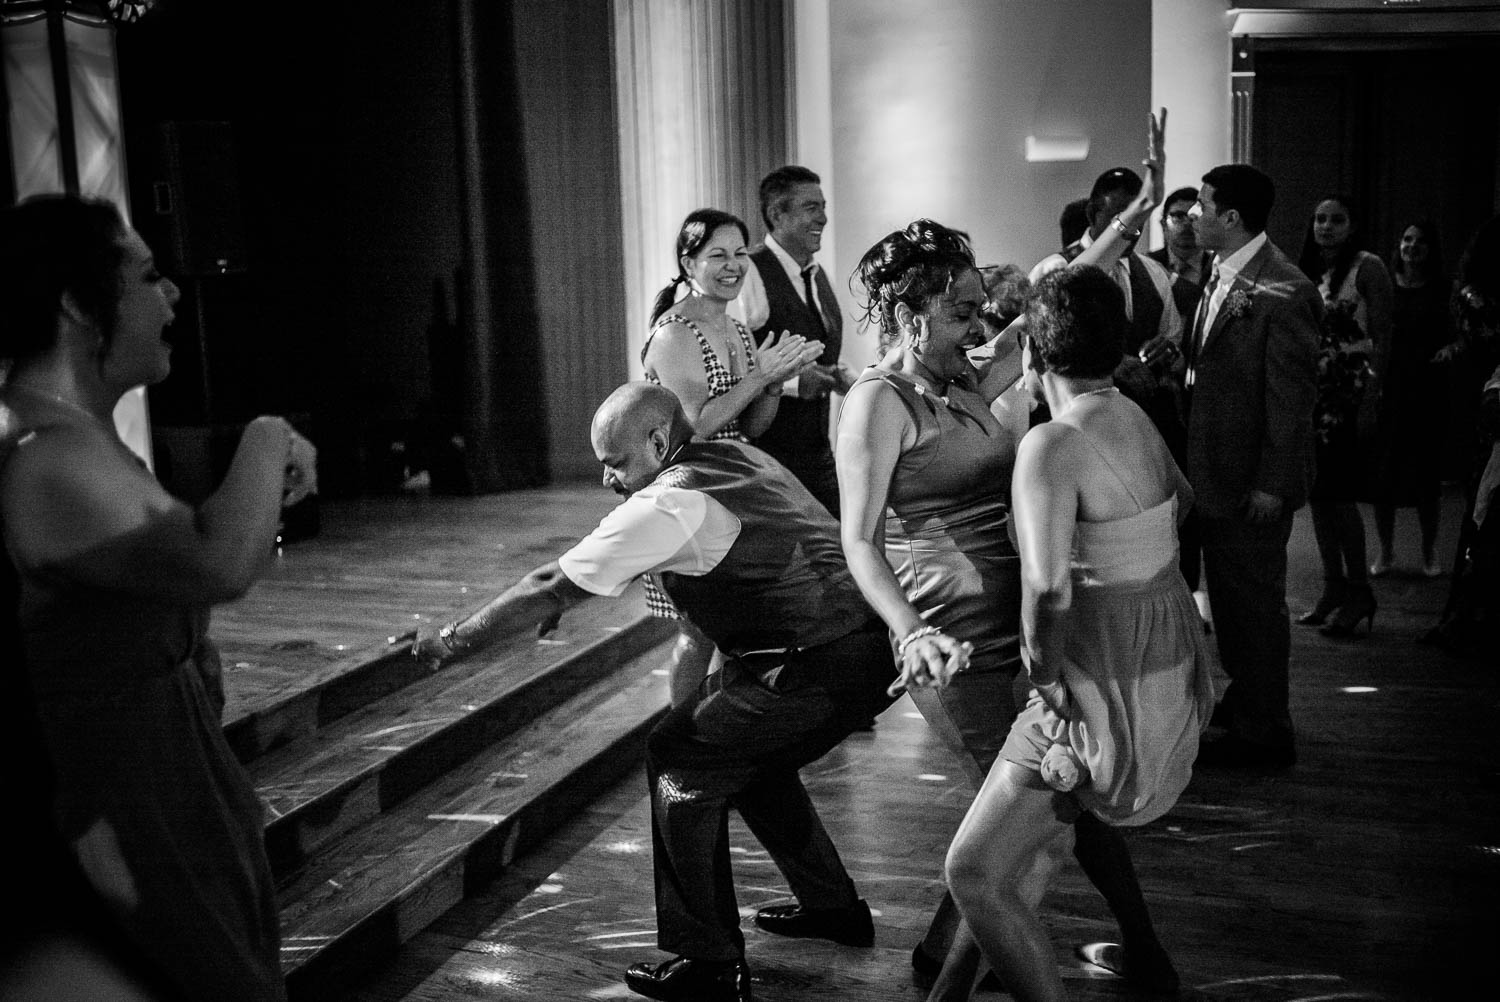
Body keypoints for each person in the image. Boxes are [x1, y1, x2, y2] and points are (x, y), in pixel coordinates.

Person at [412, 381, 897, 1002]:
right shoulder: (739, 458)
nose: (607, 479)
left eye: (614, 462)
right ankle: (832, 907)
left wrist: (450, 640)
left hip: (815, 666)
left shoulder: (671, 503)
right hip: (856, 650)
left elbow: (544, 584)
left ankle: (710, 963)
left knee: (680, 758)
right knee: (744, 758)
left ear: (660, 442)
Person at [0, 194, 318, 1002]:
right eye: (147, 275)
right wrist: (267, 434)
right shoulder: (45, 458)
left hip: (170, 788)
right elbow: (219, 563)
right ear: (77, 302)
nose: (171, 294)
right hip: (122, 816)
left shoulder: (79, 443)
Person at [925, 265, 1214, 1002]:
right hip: (1160, 649)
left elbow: (1048, 585)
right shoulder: (1133, 411)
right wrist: (1126, 578)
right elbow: (1180, 502)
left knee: (973, 869)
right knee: (1041, 844)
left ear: (1031, 355)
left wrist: (1047, 676)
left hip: (1093, 672)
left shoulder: (1051, 443)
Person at [643, 208, 823, 707]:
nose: (733, 265)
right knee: (698, 630)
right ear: (688, 263)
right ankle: (682, 734)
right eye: (717, 255)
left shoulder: (738, 330)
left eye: (740, 253)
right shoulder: (676, 333)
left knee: (736, 626)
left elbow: (751, 427)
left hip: (733, 491)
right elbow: (694, 425)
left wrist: (772, 381)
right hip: (688, 492)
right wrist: (758, 378)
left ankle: (721, 724)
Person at [1184, 164, 1321, 769]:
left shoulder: (1285, 289)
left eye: (1202, 206)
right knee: (1233, 606)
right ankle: (1245, 706)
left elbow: (1291, 402)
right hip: (1214, 474)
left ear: (1231, 218)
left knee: (1256, 608)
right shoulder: (1221, 276)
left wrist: (1272, 483)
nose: (1192, 215)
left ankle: (1266, 732)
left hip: (1249, 485)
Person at [728, 165, 854, 516]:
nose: (824, 218)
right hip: (767, 458)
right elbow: (734, 363)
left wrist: (844, 377)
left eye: (824, 206)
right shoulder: (749, 271)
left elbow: (819, 344)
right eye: (811, 208)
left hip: (818, 453)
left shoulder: (814, 272)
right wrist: (797, 384)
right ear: (776, 214)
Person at [1294, 194, 1394, 637]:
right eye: (1319, 219)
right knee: (1318, 494)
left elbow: (1386, 337)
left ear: (1352, 226)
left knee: (1341, 495)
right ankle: (1332, 588)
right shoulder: (1308, 269)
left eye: (1336, 219)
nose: (1326, 226)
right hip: (1314, 391)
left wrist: (1373, 396)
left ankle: (1359, 590)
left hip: (1351, 390)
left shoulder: (1368, 267)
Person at [1372, 219, 1452, 577]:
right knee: (1383, 475)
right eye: (1406, 239)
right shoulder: (1386, 285)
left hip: (1426, 388)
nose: (1411, 246)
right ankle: (1385, 551)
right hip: (1389, 386)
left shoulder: (1442, 289)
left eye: (1420, 241)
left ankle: (1429, 551)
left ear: (1430, 248)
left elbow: (1455, 332)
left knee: (1425, 477)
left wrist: (1451, 350)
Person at [1148, 186, 1215, 325]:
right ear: (1163, 224)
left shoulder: (1217, 269)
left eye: (1194, 217)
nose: (1187, 224)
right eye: (1178, 216)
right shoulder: (1146, 266)